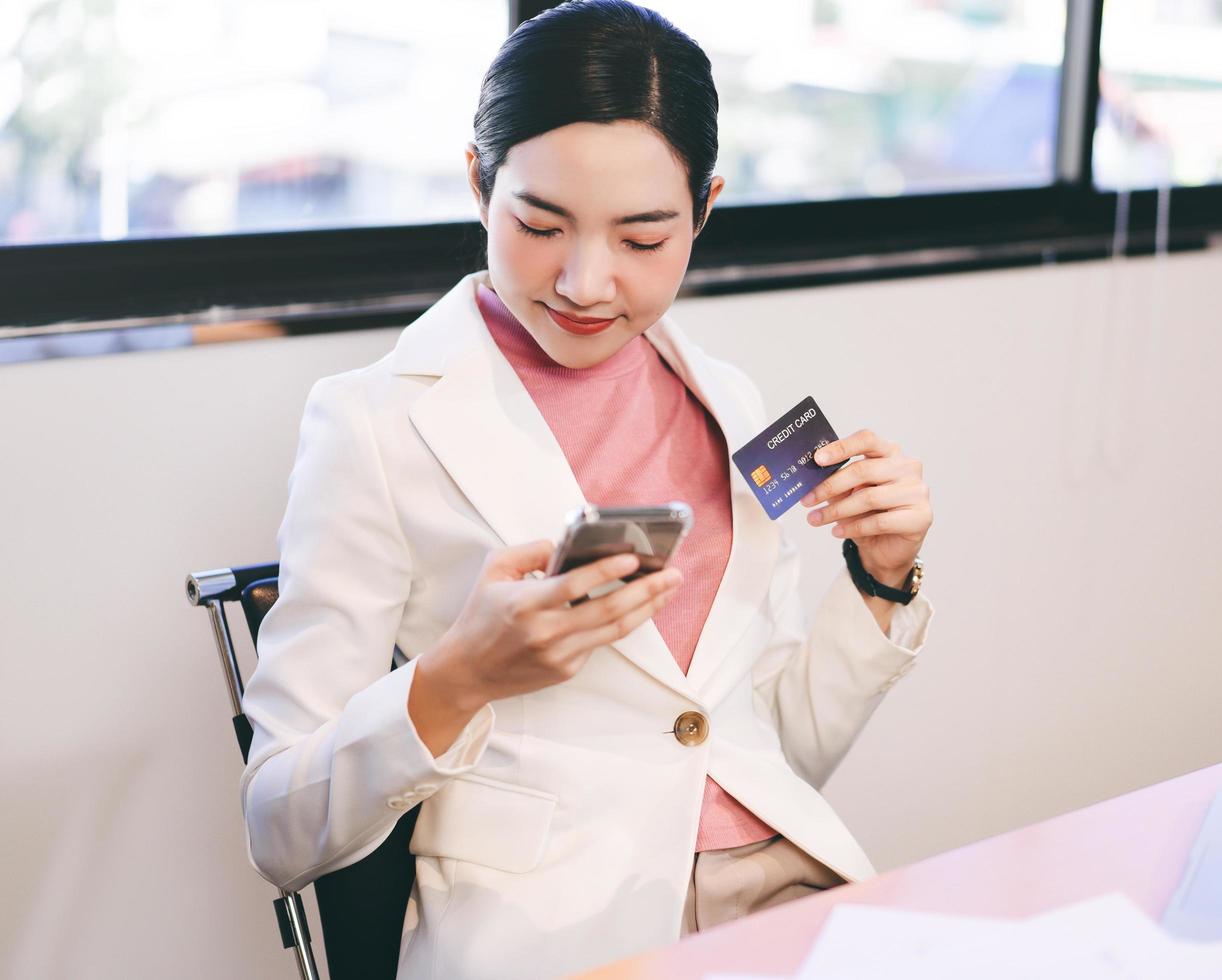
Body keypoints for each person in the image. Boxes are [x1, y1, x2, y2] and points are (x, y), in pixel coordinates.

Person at [239, 2, 935, 977]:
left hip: (784, 896)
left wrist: (883, 579)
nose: (584, 282)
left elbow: (762, 746)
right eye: (538, 223)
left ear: (704, 208)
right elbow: (279, 824)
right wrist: (457, 679)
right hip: (552, 932)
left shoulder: (729, 403)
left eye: (643, 238)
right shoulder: (374, 425)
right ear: (481, 182)